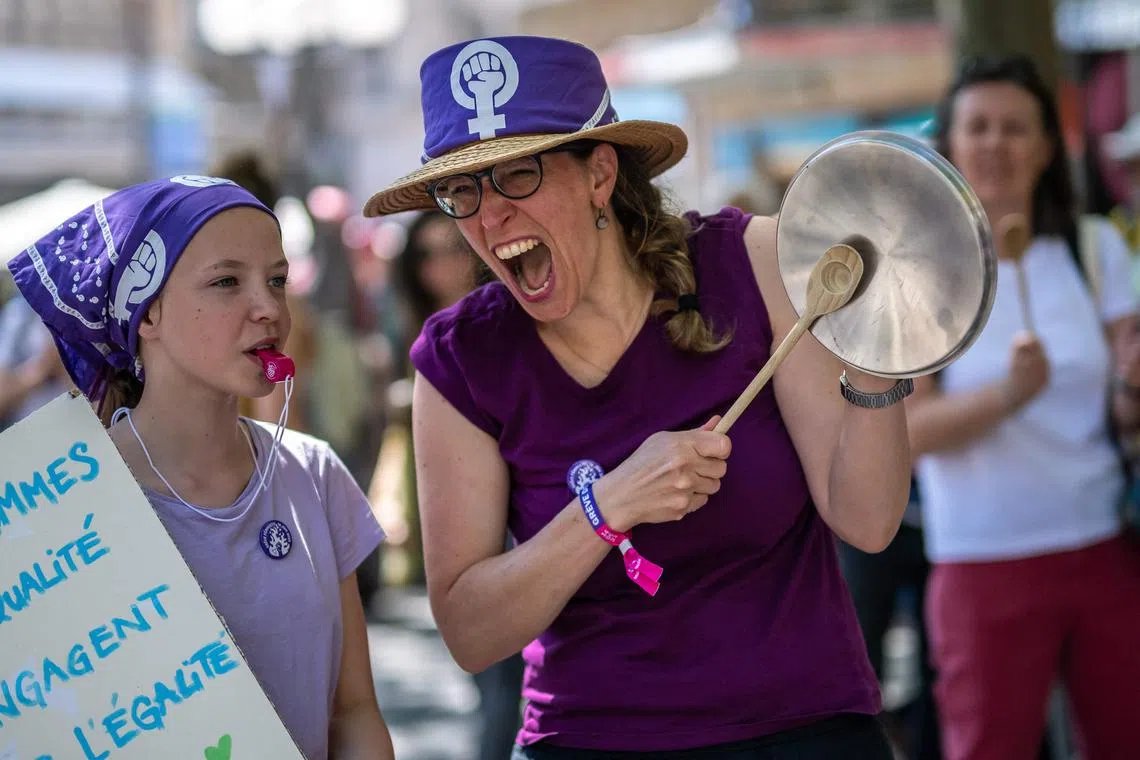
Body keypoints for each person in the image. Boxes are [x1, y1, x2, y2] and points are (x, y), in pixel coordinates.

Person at [364, 35, 915, 757]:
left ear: (599, 172)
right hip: (590, 740)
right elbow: (470, 633)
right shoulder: (460, 358)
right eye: (462, 190)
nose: (487, 218)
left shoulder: (749, 262)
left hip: (802, 729)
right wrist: (608, 506)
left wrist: (878, 357)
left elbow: (868, 522)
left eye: (517, 176)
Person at [7, 176, 395, 760]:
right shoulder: (52, 508)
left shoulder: (314, 475)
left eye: (277, 280)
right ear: (147, 313)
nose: (268, 308)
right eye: (225, 282)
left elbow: (355, 712)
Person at [909, 55, 1140, 760]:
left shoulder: (1094, 249)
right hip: (982, 562)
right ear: (948, 144)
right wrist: (1008, 396)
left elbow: (1126, 415)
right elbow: (909, 431)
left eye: (1016, 128)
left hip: (1103, 546)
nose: (996, 144)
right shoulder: (918, 275)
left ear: (1047, 147)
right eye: (978, 126)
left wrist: (1131, 387)